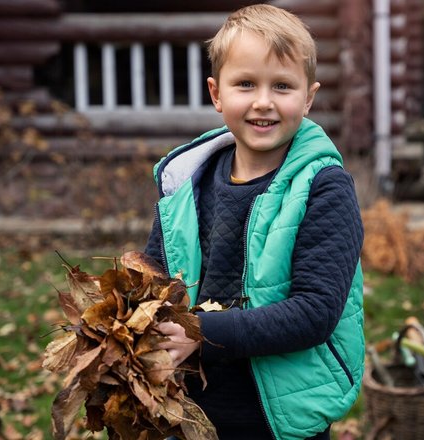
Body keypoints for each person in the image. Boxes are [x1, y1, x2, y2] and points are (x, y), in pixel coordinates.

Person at [143, 4, 365, 439]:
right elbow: (154, 279)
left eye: (282, 86)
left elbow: (314, 313)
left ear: (309, 97)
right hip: (189, 414)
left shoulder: (324, 187)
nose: (263, 102)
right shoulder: (188, 185)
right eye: (246, 84)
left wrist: (200, 333)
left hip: (280, 419)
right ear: (216, 93)